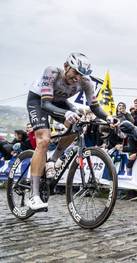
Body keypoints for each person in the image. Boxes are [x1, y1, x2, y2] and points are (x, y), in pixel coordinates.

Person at [26, 52, 117, 210]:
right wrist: (66, 113)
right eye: (75, 72)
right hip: (39, 100)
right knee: (44, 140)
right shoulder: (52, 72)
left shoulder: (86, 82)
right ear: (66, 66)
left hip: (60, 102)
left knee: (78, 124)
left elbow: (94, 107)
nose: (77, 78)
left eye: (81, 75)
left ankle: (52, 161)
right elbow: (46, 104)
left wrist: (109, 117)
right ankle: (33, 196)